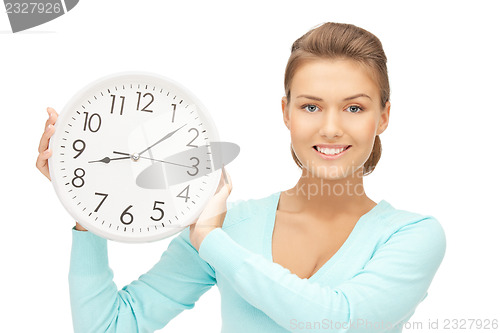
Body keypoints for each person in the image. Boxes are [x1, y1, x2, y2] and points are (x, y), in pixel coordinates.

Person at [36, 22, 446, 333]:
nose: (331, 128)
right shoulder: (228, 225)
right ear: (285, 112)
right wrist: (84, 205)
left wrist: (214, 244)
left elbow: (335, 319)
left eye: (354, 108)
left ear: (384, 116)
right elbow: (110, 326)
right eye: (310, 107)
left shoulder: (412, 236)